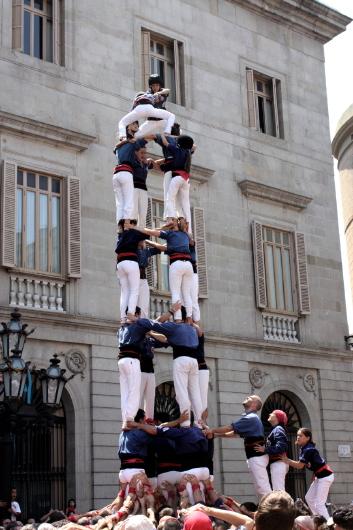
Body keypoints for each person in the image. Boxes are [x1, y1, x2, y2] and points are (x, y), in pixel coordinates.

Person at [136, 305, 203, 428]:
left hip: (181, 359)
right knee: (195, 393)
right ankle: (200, 422)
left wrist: (138, 320)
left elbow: (154, 324)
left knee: (181, 392)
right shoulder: (191, 329)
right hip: (194, 361)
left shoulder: (174, 327)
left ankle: (185, 423)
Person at [206, 395, 271, 496]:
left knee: (263, 487)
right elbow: (234, 433)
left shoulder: (251, 418)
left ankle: (274, 509)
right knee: (260, 487)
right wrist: (217, 435)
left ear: (254, 404)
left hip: (256, 456)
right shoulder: (251, 418)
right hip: (254, 456)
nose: (247, 397)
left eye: (250, 397)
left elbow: (229, 428)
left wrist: (212, 430)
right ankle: (267, 509)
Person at [133, 217, 194, 322]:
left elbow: (152, 232)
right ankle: (189, 318)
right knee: (187, 293)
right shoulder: (184, 235)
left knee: (175, 293)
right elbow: (162, 247)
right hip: (188, 265)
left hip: (177, 263)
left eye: (172, 220)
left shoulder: (169, 234)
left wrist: (135, 228)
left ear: (174, 224)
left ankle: (178, 318)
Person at [281, 428, 334, 520]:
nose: (298, 437)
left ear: (308, 438)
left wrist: (287, 460)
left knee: (319, 504)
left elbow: (300, 466)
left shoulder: (308, 449)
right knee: (309, 498)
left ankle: (329, 525)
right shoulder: (304, 448)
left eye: (300, 436)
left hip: (325, 477)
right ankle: (318, 519)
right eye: (297, 435)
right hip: (320, 477)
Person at [155, 134, 195, 226]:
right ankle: (186, 224)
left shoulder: (177, 150)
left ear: (180, 143)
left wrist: (162, 134)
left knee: (170, 197)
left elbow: (165, 143)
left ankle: (170, 219)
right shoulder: (188, 153)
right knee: (185, 203)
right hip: (185, 180)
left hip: (177, 177)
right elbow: (194, 146)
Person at [113, 125, 148, 223]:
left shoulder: (118, 148)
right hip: (126, 172)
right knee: (129, 200)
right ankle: (128, 223)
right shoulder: (133, 142)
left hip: (116, 173)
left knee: (120, 203)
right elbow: (143, 139)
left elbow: (116, 147)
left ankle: (120, 224)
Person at [115, 219, 148, 323]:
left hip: (120, 264)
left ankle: (123, 317)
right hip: (131, 262)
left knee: (125, 292)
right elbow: (146, 234)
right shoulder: (133, 232)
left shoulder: (120, 236)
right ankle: (131, 313)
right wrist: (134, 228)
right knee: (134, 290)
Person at [254, 409, 289, 491]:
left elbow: (281, 447)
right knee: (278, 490)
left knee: (278, 490)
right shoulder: (277, 429)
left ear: (277, 417)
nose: (269, 414)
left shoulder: (278, 429)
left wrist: (265, 449)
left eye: (272, 413)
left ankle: (283, 504)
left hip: (279, 463)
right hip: (278, 463)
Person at [137, 241, 161, 318]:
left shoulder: (145, 251)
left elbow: (160, 248)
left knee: (144, 305)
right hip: (134, 279)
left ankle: (143, 323)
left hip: (143, 280)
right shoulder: (132, 250)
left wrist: (147, 241)